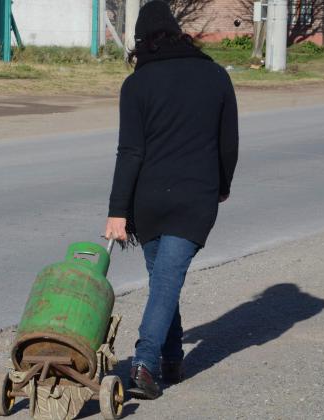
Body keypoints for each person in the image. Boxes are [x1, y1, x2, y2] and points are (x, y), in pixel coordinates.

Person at [104, 1, 239, 400]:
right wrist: (222, 184)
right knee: (166, 281)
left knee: (164, 280)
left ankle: (160, 358)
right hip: (195, 197)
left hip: (148, 202)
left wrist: (117, 211)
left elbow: (129, 152)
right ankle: (154, 362)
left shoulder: (136, 84)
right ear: (179, 32)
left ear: (142, 41)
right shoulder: (215, 76)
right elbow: (227, 142)